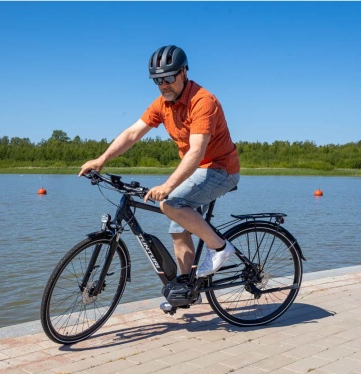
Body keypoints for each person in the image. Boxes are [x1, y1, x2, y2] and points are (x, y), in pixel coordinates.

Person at [78, 45, 240, 294]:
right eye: (157, 80)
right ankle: (186, 290)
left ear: (184, 72)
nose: (164, 85)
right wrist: (102, 159)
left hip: (221, 169)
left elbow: (196, 152)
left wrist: (167, 186)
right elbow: (132, 133)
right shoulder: (162, 104)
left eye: (169, 78)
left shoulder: (203, 101)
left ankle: (219, 247)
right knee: (177, 230)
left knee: (170, 204)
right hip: (197, 170)